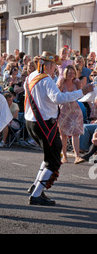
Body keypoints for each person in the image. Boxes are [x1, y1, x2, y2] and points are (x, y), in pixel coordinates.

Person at [24, 51, 94, 206]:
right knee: (54, 160)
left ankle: (36, 187)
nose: (54, 69)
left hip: (32, 121)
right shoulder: (46, 80)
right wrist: (82, 91)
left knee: (49, 156)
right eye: (53, 66)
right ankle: (36, 195)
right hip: (44, 123)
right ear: (47, 65)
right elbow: (59, 98)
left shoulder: (30, 76)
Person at [57, 65, 84, 164]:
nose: (71, 74)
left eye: (73, 73)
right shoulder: (61, 82)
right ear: (65, 73)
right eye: (69, 72)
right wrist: (59, 85)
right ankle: (64, 156)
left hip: (74, 110)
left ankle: (77, 156)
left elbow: (80, 95)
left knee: (75, 133)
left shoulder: (76, 83)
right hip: (63, 109)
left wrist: (80, 86)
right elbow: (57, 95)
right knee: (63, 134)